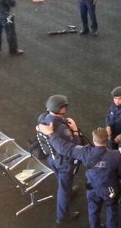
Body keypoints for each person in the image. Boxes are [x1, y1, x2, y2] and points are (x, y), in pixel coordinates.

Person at [37, 125, 121, 228]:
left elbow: (65, 148)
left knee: (93, 210)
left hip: (92, 188)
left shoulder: (85, 152)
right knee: (112, 210)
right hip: (110, 189)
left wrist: (51, 134)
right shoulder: (116, 155)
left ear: (94, 140)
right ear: (106, 139)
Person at [36, 95, 81, 224]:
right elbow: (72, 148)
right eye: (64, 106)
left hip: (51, 157)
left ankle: (68, 192)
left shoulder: (45, 119)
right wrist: (75, 131)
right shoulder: (61, 128)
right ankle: (63, 217)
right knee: (63, 188)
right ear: (61, 109)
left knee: (62, 182)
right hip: (64, 162)